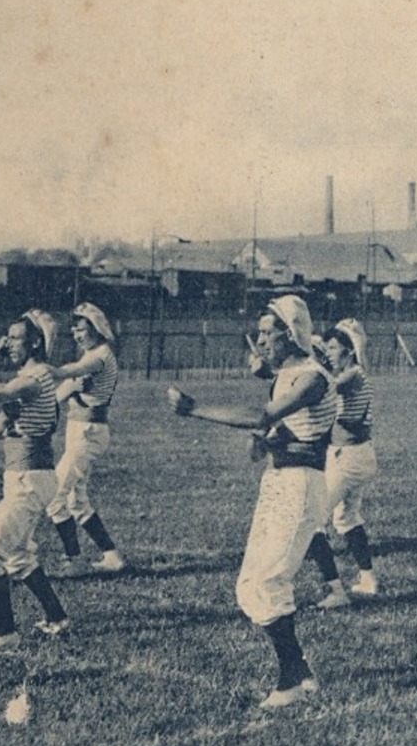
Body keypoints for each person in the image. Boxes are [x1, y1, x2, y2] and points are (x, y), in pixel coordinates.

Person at [166, 295, 340, 706]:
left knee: (268, 581)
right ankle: (299, 671)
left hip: (300, 484)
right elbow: (269, 436)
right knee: (249, 586)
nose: (260, 342)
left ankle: (291, 682)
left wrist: (194, 409)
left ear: (292, 333)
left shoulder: (312, 376)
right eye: (259, 334)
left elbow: (263, 416)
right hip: (279, 481)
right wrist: (264, 440)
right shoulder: (290, 374)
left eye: (268, 333)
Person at [0, 311, 72, 651]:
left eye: (15, 337)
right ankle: (56, 617)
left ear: (35, 342)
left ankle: (5, 631)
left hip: (29, 479)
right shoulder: (32, 372)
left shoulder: (35, 377)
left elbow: (3, 390)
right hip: (29, 477)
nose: (7, 342)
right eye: (6, 337)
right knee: (18, 555)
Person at [44, 302, 125, 572]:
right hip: (79, 432)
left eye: (81, 329)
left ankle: (74, 560)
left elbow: (69, 374)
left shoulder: (99, 356)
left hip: (88, 433)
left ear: (97, 329)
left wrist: (44, 369)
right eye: (74, 331)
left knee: (54, 497)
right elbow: (59, 394)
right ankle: (112, 557)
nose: (77, 335)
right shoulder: (90, 356)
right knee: (75, 501)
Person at [307, 319, 379, 607]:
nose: (329, 353)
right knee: (346, 519)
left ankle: (336, 592)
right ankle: (368, 579)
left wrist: (310, 359)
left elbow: (325, 389)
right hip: (356, 456)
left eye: (334, 348)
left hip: (348, 458)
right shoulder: (356, 372)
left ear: (349, 351)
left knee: (312, 522)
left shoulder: (352, 375)